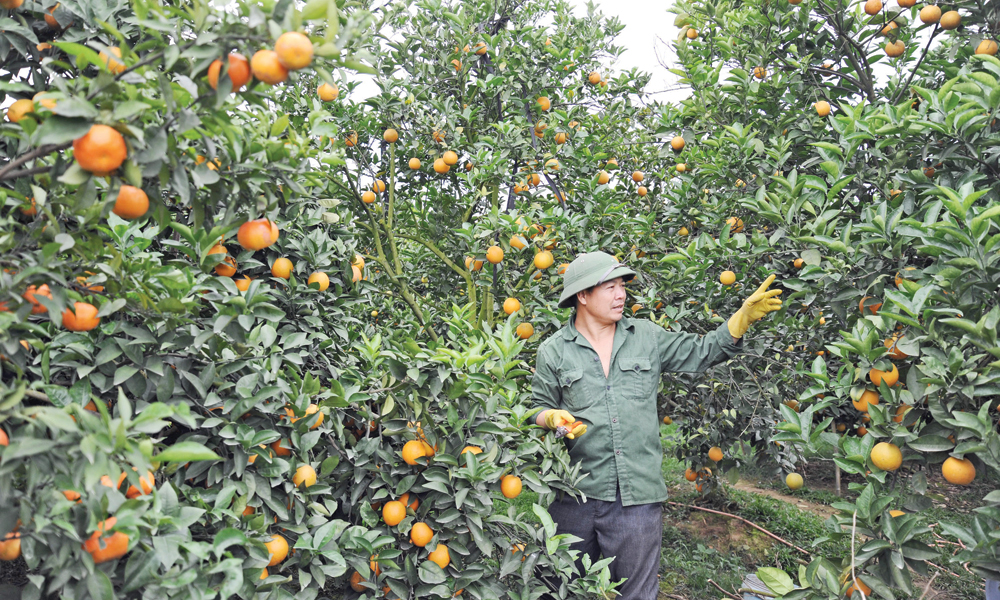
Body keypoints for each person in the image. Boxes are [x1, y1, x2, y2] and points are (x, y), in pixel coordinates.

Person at [531, 251, 782, 599]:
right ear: (583, 296)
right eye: (610, 287)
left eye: (622, 286)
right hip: (574, 494)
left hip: (636, 497)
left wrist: (741, 318)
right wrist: (551, 417)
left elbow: (702, 351)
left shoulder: (646, 337)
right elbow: (536, 407)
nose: (621, 295)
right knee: (559, 588)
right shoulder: (554, 351)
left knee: (636, 594)